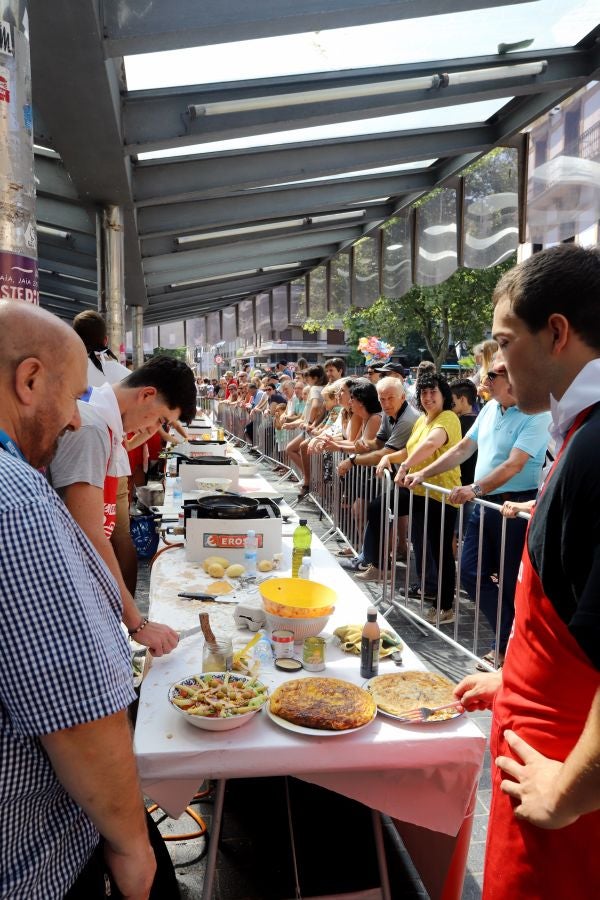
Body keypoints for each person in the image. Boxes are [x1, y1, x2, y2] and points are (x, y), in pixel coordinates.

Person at [0, 302, 176, 898]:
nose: (76, 421)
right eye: (73, 396)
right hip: (34, 859)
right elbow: (75, 709)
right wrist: (131, 843)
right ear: (28, 381)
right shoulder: (17, 501)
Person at [455, 244, 600, 900]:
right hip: (537, 755)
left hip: (562, 791)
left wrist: (568, 794)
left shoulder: (598, 446)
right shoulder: (576, 432)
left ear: (558, 333)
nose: (498, 362)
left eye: (504, 340)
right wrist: (513, 677)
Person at [48, 356, 197, 656]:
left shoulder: (100, 424)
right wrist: (137, 624)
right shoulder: (91, 427)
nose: (156, 428)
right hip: (66, 589)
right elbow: (89, 533)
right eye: (160, 419)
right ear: (146, 395)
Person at [406, 360, 550, 658]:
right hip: (485, 505)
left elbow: (515, 463)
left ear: (512, 379)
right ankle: (507, 640)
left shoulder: (537, 415)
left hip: (514, 508)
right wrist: (423, 473)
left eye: (492, 375)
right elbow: (462, 450)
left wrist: (474, 489)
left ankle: (506, 648)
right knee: (470, 573)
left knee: (509, 580)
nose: (485, 380)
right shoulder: (488, 409)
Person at [375, 373, 462, 621]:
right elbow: (410, 449)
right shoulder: (422, 420)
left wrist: (403, 468)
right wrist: (389, 458)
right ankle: (424, 588)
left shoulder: (449, 418)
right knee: (423, 545)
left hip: (441, 495)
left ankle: (445, 607)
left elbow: (431, 445)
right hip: (419, 492)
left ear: (443, 394)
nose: (427, 397)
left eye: (433, 392)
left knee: (441, 551)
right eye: (423, 393)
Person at [337, 376, 419, 576]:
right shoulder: (389, 415)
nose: (386, 403)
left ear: (402, 396)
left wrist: (353, 460)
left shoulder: (407, 419)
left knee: (379, 510)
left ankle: (379, 565)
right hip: (403, 478)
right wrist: (365, 445)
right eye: (382, 399)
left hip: (417, 481)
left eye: (391, 398)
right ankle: (373, 561)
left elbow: (385, 453)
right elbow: (379, 443)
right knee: (376, 509)